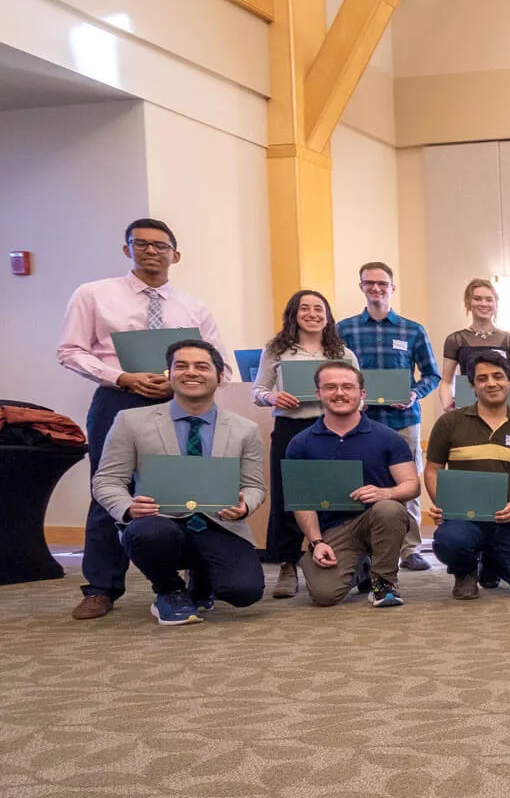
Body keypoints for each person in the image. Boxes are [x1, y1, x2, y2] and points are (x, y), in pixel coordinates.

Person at [58, 218, 231, 621]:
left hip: (179, 403)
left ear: (175, 255)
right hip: (118, 398)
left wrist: (181, 383)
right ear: (127, 249)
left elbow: (221, 364)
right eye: (141, 244)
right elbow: (70, 350)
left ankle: (191, 578)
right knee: (109, 488)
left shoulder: (193, 307)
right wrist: (121, 376)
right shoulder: (94, 295)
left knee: (188, 488)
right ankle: (101, 588)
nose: (151, 251)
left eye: (160, 246)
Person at [89, 340, 264, 625]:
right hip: (159, 522)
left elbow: (255, 486)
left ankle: (202, 579)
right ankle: (169, 590)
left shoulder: (246, 429)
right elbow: (106, 481)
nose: (191, 372)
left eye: (201, 366)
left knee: (244, 591)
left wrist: (245, 505)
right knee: (149, 534)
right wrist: (128, 507)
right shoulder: (131, 421)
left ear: (220, 377)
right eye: (181, 366)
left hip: (218, 523)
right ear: (169, 374)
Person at [252, 289, 359, 600]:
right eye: (305, 308)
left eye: (319, 309)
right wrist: (273, 397)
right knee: (289, 497)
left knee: (338, 494)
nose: (312, 314)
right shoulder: (276, 350)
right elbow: (257, 390)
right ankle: (288, 564)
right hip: (290, 428)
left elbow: (358, 395)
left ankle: (346, 558)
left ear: (327, 316)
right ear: (293, 314)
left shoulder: (343, 353)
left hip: (332, 428)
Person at [286, 361, 418, 608]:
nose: (339, 393)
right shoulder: (300, 443)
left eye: (347, 387)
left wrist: (386, 492)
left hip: (379, 520)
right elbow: (301, 501)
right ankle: (362, 568)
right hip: (334, 529)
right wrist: (316, 542)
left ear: (362, 393)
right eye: (330, 387)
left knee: (389, 508)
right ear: (318, 393)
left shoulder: (388, 438)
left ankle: (383, 583)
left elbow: (412, 485)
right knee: (325, 595)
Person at [338, 260, 440, 572]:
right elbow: (337, 373)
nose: (376, 288)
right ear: (361, 287)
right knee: (361, 482)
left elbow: (432, 375)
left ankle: (410, 549)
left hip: (403, 421)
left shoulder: (412, 330)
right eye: (369, 283)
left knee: (408, 483)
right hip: (360, 422)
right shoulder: (344, 330)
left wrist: (414, 393)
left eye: (382, 283)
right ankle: (365, 549)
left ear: (392, 288)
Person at [423, 352, 510, 598]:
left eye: (498, 376)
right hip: (463, 519)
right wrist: (444, 504)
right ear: (472, 386)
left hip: (508, 520)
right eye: (482, 378)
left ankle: (490, 561)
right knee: (450, 542)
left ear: (509, 382)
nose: (491, 383)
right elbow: (432, 470)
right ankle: (465, 570)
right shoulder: (449, 422)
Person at [441, 278, 510, 411]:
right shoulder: (455, 339)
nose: (484, 304)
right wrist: (448, 407)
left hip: (502, 406)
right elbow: (446, 381)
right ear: (468, 302)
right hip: (466, 405)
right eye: (477, 299)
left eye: (489, 299)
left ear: (496, 304)